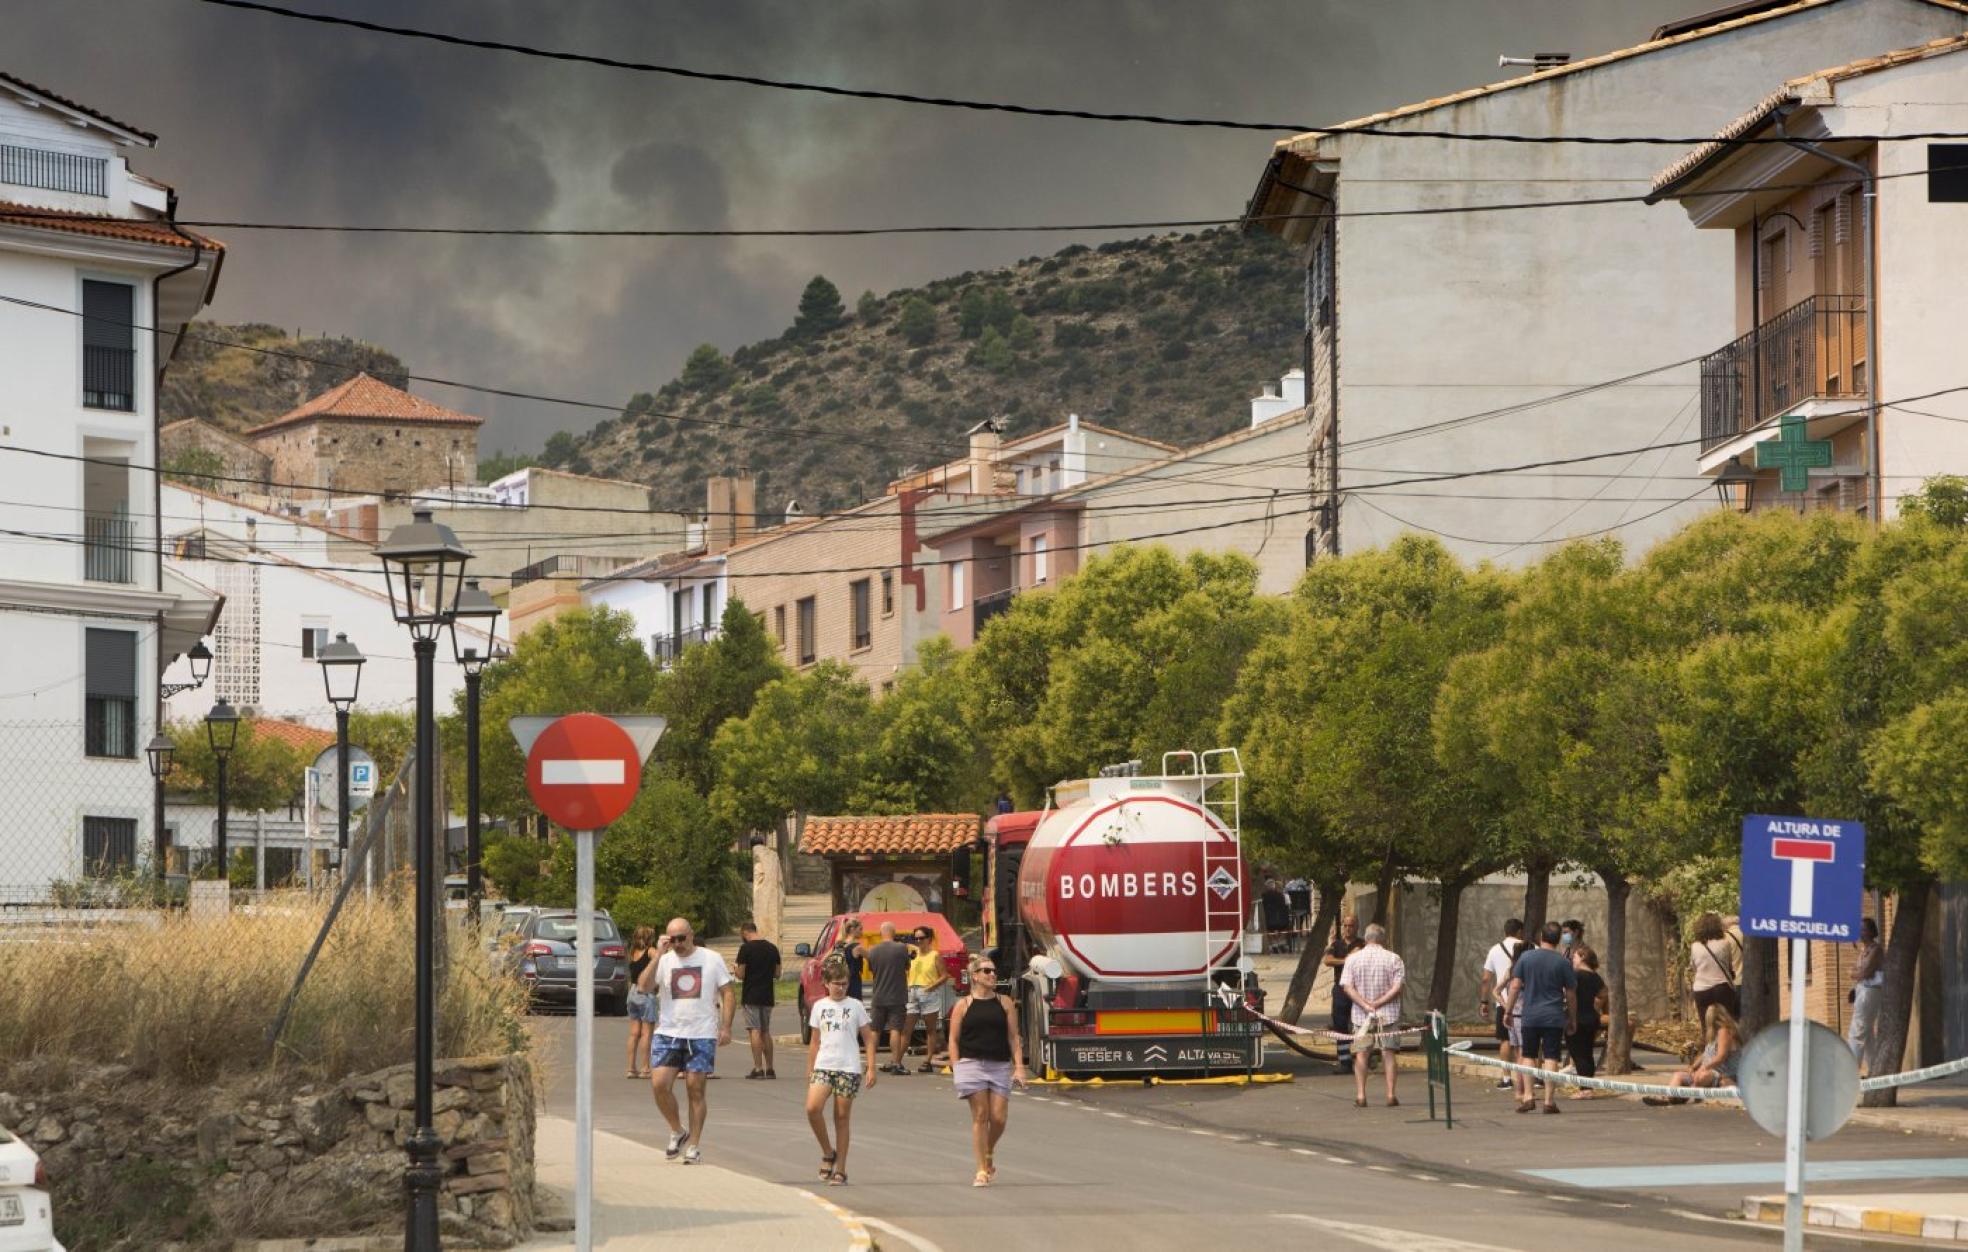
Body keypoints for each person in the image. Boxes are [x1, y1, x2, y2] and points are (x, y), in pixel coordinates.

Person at [637, 917, 735, 1164]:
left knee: (695, 1090)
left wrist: (726, 1026)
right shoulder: (665, 960)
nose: (678, 944)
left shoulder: (711, 958)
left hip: (701, 1033)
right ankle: (677, 1130)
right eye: (673, 939)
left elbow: (728, 992)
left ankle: (694, 1145)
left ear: (691, 935)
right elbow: (644, 986)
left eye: (682, 938)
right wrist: (658, 955)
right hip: (669, 1032)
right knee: (659, 1084)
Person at [948, 954, 1029, 1187]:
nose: (992, 974)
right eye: (986, 971)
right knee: (981, 1115)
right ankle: (981, 1170)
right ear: (975, 976)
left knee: (999, 1118)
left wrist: (1019, 1068)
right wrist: (956, 1067)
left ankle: (989, 1150)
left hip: (999, 1065)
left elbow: (1014, 1037)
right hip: (971, 1064)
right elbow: (953, 1039)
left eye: (993, 971)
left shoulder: (1005, 1003)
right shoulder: (963, 1005)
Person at [805, 956, 877, 1186]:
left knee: (842, 1117)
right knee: (812, 1108)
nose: (841, 987)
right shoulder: (820, 1006)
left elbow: (868, 1037)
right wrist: (810, 1068)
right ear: (826, 983)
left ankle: (841, 1170)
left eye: (844, 983)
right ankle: (828, 1151)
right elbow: (815, 1041)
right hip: (824, 1064)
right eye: (836, 983)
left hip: (848, 1067)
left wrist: (871, 1067)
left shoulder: (855, 1006)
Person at [1505, 921, 1577, 1115]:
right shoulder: (1563, 962)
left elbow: (1514, 986)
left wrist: (1508, 1011)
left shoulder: (1526, 958)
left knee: (1528, 1055)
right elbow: (1570, 993)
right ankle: (1548, 1100)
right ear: (1558, 939)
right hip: (1553, 1016)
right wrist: (1572, 1017)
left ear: (1541, 938)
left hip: (1530, 1015)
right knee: (1551, 1056)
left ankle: (1528, 1096)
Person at [1338, 922, 1406, 1108]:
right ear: (1382, 939)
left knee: (1361, 1055)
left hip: (1361, 1016)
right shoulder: (1394, 959)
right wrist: (1379, 1003)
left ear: (1366, 938)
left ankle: (1361, 1095)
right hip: (1388, 1014)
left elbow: (1347, 987)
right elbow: (1397, 987)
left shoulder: (1353, 959)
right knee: (1389, 1054)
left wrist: (1365, 1004)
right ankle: (1391, 1094)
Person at [1646, 1003, 1741, 1104]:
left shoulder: (1724, 1031)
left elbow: (1721, 1057)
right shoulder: (1713, 1033)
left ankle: (1687, 1094)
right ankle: (1668, 1098)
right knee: (1678, 1075)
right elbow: (1706, 1053)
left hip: (1722, 1073)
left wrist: (1705, 1067)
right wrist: (1693, 1066)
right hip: (1708, 1071)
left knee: (1701, 1077)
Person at [1477, 919, 1525, 1091]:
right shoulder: (1530, 947)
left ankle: (1506, 1077)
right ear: (1520, 931)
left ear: (1505, 931)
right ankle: (1534, 1077)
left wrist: (1484, 1001)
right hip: (1526, 1004)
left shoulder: (1495, 949)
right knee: (1528, 1043)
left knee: (1505, 1040)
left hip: (1503, 1004)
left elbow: (1485, 979)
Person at [734, 921, 782, 1080]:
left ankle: (758, 1068)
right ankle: (771, 1068)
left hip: (751, 995)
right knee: (766, 1031)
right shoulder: (772, 948)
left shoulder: (745, 949)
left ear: (744, 933)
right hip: (767, 995)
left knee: (754, 1030)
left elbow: (741, 975)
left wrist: (735, 969)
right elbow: (777, 973)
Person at [865, 922, 915, 1075]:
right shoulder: (901, 948)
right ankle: (896, 1063)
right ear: (894, 933)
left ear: (881, 933)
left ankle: (870, 1064)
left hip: (878, 996)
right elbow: (908, 967)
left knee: (874, 1030)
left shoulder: (872, 950)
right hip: (897, 996)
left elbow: (872, 969)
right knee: (895, 1030)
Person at [1323, 914, 1366, 1074]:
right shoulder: (1337, 944)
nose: (1348, 929)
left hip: (1358, 990)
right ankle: (1344, 1061)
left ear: (1357, 927)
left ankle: (1365, 1059)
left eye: (1351, 925)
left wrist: (1347, 959)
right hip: (1341, 989)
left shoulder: (1363, 944)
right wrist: (1347, 959)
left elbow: (1364, 961)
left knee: (1362, 1025)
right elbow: (1328, 960)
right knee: (1340, 1025)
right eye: (1345, 925)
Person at [906, 926, 951, 1072]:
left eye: (922, 938)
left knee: (930, 1029)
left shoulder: (935, 955)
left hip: (928, 992)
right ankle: (897, 1060)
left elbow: (944, 975)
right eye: (916, 938)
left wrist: (931, 987)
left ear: (929, 939)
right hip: (913, 991)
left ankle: (928, 1061)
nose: (919, 941)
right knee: (906, 1028)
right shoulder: (913, 954)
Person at [1566, 946, 1608, 1099]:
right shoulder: (1595, 976)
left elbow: (1569, 995)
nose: (1573, 960)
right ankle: (1588, 1086)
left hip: (1577, 1017)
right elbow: (1603, 993)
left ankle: (1585, 1089)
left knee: (1579, 1054)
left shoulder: (1575, 975)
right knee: (1587, 1052)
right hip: (1591, 1017)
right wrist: (1596, 1005)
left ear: (1582, 957)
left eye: (1575, 957)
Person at [1689, 912, 1741, 1021]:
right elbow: (1729, 965)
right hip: (1722, 988)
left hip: (1701, 989)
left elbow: (1694, 967)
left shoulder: (1695, 946)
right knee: (1725, 1024)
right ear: (1718, 926)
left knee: (1705, 1024)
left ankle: (1708, 1037)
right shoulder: (1724, 943)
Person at [1847, 917, 1884, 1066]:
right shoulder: (1864, 951)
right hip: (1863, 990)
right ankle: (1874, 1070)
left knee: (1857, 1030)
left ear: (1870, 931)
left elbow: (1865, 973)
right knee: (1867, 1034)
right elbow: (1860, 973)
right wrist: (1856, 974)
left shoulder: (1876, 950)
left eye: (1863, 929)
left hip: (1870, 992)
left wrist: (1852, 973)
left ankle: (1849, 1070)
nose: (1860, 932)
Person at [624, 925, 657, 1080]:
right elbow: (661, 960)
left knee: (634, 1033)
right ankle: (645, 1067)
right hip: (646, 992)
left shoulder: (632, 952)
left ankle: (631, 1068)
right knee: (646, 1033)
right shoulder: (650, 951)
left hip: (633, 992)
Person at [830, 916, 866, 1004]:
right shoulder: (857, 948)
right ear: (853, 929)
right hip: (853, 983)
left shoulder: (838, 945)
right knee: (854, 1008)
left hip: (839, 982)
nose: (862, 932)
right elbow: (872, 957)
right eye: (860, 929)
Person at [1260, 879, 1292, 954]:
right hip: (1283, 921)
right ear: (1275, 887)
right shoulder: (1284, 895)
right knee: (1284, 928)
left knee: (1269, 930)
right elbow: (1289, 906)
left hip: (1269, 922)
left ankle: (1274, 944)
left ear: (1266, 887)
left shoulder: (1263, 896)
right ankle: (1280, 943)